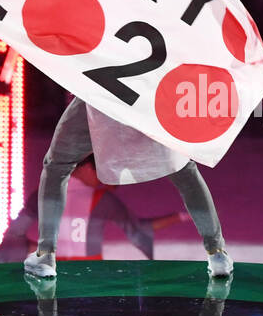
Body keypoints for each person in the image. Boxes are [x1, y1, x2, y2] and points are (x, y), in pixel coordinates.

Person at [24, 94, 234, 280]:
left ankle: (45, 256)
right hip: (150, 96)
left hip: (103, 92)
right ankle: (216, 253)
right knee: (186, 172)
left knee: (57, 165)